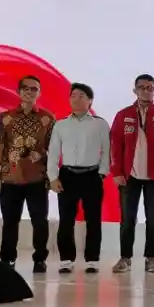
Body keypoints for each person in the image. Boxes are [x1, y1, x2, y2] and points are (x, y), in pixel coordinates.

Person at [109, 74, 154, 274]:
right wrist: (116, 172)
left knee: (153, 219)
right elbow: (115, 145)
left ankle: (151, 258)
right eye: (142, 87)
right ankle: (125, 258)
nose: (146, 91)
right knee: (127, 219)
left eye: (150, 87)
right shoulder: (123, 115)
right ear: (135, 90)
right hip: (128, 177)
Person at [0, 75, 54, 273]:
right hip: (11, 177)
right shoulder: (6, 117)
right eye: (26, 88)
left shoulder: (47, 118)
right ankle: (7, 258)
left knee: (39, 221)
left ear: (39, 93)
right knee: (10, 221)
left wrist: (41, 154)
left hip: (37, 178)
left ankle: (40, 259)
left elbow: (54, 148)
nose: (29, 92)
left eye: (34, 89)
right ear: (19, 91)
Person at [47, 83, 109, 273]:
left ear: (90, 100)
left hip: (92, 175)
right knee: (66, 219)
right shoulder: (61, 124)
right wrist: (53, 177)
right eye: (73, 95)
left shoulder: (100, 124)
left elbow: (107, 151)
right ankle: (66, 259)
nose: (76, 99)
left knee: (93, 219)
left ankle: (92, 260)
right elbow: (53, 153)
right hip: (67, 176)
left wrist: (102, 173)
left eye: (81, 95)